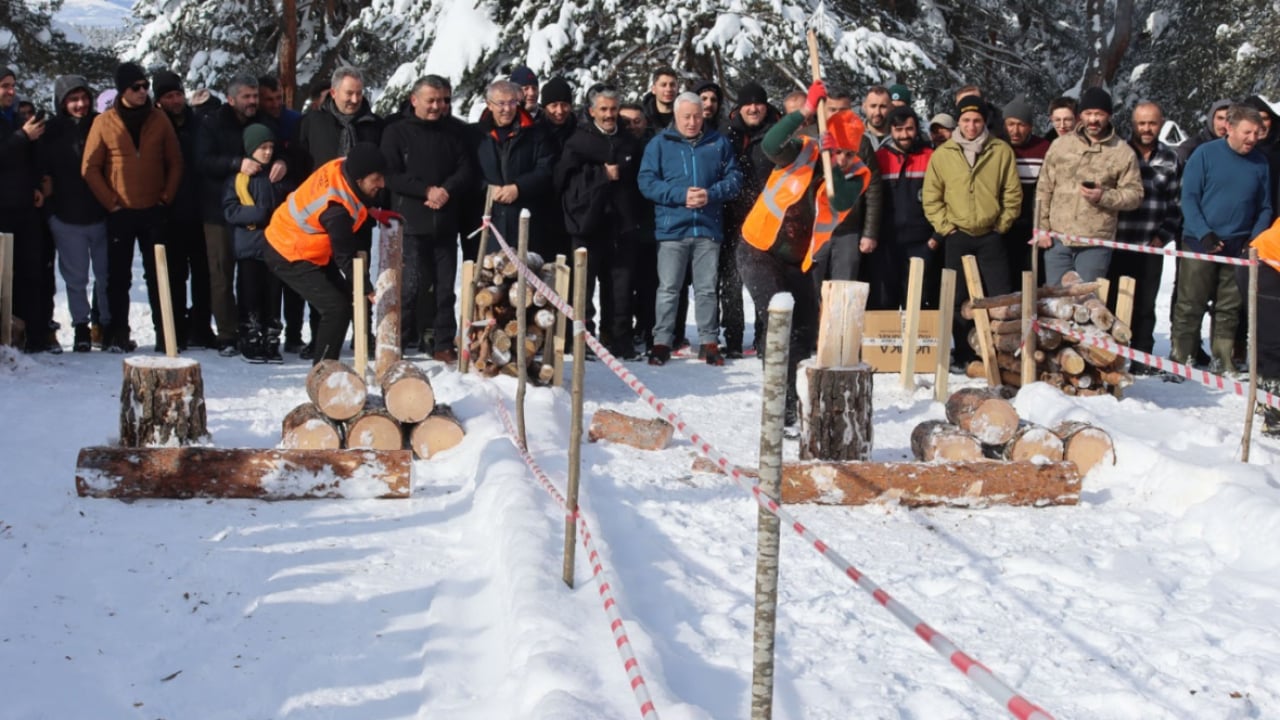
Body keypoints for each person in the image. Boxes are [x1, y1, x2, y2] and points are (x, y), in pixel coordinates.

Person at [738, 80, 869, 423]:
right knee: (778, 318)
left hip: (799, 261)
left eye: (848, 152)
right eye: (837, 150)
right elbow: (769, 144)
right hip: (759, 248)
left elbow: (840, 200)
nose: (842, 158)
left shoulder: (856, 175)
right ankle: (777, 401)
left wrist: (836, 166)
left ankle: (789, 401)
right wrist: (805, 113)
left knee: (805, 329)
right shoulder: (802, 149)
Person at [81, 62, 185, 353]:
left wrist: (167, 196)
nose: (143, 92)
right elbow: (90, 168)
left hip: (154, 209)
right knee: (118, 277)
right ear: (122, 90)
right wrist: (110, 203)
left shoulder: (159, 119)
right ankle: (117, 334)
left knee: (159, 274)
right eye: (135, 88)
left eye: (145, 87)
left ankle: (166, 334)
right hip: (120, 211)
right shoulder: (104, 122)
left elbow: (175, 161)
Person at [264, 143, 397, 362]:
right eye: (376, 179)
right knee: (336, 308)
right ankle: (324, 372)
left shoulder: (342, 168)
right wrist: (365, 287)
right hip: (287, 250)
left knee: (342, 301)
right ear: (360, 179)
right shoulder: (336, 210)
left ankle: (326, 365)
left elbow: (353, 196)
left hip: (307, 245)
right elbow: (345, 253)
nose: (381, 184)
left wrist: (371, 210)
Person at [638, 91, 742, 366]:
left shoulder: (717, 143)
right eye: (686, 116)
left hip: (707, 228)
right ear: (676, 116)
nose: (692, 121)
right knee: (669, 288)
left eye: (697, 116)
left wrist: (712, 193)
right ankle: (662, 341)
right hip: (672, 229)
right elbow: (646, 182)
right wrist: (680, 195)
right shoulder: (660, 144)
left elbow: (734, 179)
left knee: (707, 288)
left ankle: (709, 341)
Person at [1171, 104, 1272, 377]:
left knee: (1229, 307)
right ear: (1230, 128)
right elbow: (1189, 199)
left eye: (1256, 132)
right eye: (1247, 132)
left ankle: (1222, 358)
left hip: (1238, 246)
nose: (1252, 138)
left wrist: (1253, 240)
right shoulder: (1204, 154)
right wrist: (1204, 233)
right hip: (1200, 241)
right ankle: (1181, 357)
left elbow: (1265, 207)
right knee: (1191, 303)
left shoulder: (1260, 162)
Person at [380, 75, 476, 362]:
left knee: (445, 287)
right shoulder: (396, 132)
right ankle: (397, 340)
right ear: (415, 100)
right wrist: (425, 190)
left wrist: (446, 190)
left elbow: (466, 168)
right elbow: (390, 174)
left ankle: (443, 341)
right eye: (431, 101)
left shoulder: (455, 131)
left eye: (442, 101)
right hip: (410, 219)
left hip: (445, 220)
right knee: (410, 284)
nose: (437, 106)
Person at [922, 94, 1021, 366]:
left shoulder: (1000, 151)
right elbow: (932, 196)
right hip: (957, 236)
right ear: (958, 122)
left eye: (977, 120)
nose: (971, 125)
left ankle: (998, 351)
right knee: (958, 298)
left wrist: (1002, 224)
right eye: (966, 120)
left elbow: (1012, 193)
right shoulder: (943, 154)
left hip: (990, 235)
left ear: (984, 121)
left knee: (999, 295)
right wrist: (945, 226)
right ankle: (965, 354)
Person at [197, 74, 287, 356]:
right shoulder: (212, 123)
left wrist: (282, 161)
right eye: (247, 97)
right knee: (222, 273)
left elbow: (282, 149)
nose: (253, 102)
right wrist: (237, 163)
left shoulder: (264, 121)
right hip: (220, 208)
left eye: (255, 97)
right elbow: (203, 161)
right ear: (231, 98)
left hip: (259, 218)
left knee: (257, 277)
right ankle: (227, 332)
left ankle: (259, 330)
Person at [555, 85, 647, 358]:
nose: (609, 115)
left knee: (620, 287)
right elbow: (563, 183)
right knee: (583, 288)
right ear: (592, 110)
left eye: (613, 109)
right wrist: (601, 175)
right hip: (587, 225)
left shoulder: (628, 142)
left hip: (620, 226)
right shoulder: (578, 142)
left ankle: (618, 338)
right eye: (603, 109)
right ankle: (583, 339)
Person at [1035, 87, 1143, 285]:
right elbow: (1044, 188)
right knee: (1056, 305)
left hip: (1094, 243)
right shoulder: (1060, 146)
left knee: (1087, 305)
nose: (1093, 119)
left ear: (1108, 115)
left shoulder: (1122, 152)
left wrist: (1104, 196)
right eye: (1088, 113)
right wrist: (1041, 229)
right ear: (1080, 116)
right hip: (1058, 240)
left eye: (1099, 114)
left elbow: (1135, 195)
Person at [1107, 101, 1182, 375]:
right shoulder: (1118, 152)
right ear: (1133, 124)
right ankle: (1111, 357)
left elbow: (1176, 204)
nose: (1147, 128)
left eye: (1152, 123)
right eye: (1142, 123)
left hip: (1151, 244)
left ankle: (1143, 359)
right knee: (1113, 301)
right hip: (1117, 242)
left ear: (1160, 123)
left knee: (1145, 306)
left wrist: (1163, 237)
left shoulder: (1170, 159)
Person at [39, 74, 105, 352]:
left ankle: (104, 324)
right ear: (62, 102)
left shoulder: (101, 124)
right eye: (73, 99)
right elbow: (40, 170)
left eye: (84, 98)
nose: (80, 104)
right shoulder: (51, 131)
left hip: (102, 212)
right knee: (76, 277)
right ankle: (81, 326)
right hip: (66, 215)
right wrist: (52, 212)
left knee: (106, 275)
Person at [153, 70, 214, 350]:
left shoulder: (199, 122)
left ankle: (201, 327)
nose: (175, 100)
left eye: (178, 94)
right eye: (168, 96)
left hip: (200, 210)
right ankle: (173, 329)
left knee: (204, 274)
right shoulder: (154, 125)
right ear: (159, 100)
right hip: (168, 212)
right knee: (174, 275)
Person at [223, 124, 291, 362]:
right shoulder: (240, 179)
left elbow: (291, 202)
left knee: (273, 295)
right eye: (262, 147)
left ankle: (271, 337)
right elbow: (230, 210)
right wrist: (257, 214)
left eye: (271, 147)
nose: (267, 152)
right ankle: (250, 337)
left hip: (274, 246)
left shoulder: (277, 176)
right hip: (249, 247)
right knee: (249, 294)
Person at [724, 81, 781, 357]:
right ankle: (733, 338)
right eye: (748, 103)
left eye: (759, 103)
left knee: (764, 279)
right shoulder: (727, 133)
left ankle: (763, 335)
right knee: (731, 281)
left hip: (767, 216)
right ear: (739, 107)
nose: (754, 108)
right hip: (732, 216)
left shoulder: (777, 131)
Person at [1, 66, 55, 353]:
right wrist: (23, 136)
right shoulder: (17, 128)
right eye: (3, 86)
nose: (10, 91)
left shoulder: (17, 118)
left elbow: (28, 159)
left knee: (30, 273)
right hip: (2, 211)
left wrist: (37, 183)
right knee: (3, 276)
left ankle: (29, 336)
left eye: (12, 85)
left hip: (25, 207)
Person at [473, 79, 554, 256]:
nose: (507, 109)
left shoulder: (535, 133)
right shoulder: (476, 135)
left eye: (512, 102)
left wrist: (519, 187)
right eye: (501, 103)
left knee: (526, 276)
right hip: (488, 218)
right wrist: (487, 189)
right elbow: (469, 172)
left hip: (526, 218)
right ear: (489, 104)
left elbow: (545, 169)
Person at [876, 106, 940, 308]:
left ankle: (916, 340)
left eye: (909, 129)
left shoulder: (931, 156)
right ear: (890, 131)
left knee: (917, 301)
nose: (904, 135)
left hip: (922, 242)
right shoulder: (880, 158)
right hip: (887, 242)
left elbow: (946, 197)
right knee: (886, 300)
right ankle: (889, 340)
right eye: (899, 129)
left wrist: (936, 238)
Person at [1001, 96, 1050, 289]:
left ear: (1030, 126)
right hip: (1006, 222)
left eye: (1021, 125)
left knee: (1032, 275)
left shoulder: (1043, 148)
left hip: (1033, 221)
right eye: (1010, 124)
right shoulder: (998, 147)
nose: (1015, 130)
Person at [1245, 219, 1280, 435]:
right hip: (1263, 265)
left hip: (1268, 262)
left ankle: (1263, 395)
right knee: (1274, 339)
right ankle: (1273, 416)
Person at [1176, 98, 1232, 164]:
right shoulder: (1191, 148)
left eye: (1229, 120)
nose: (1224, 125)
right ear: (1211, 119)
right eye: (1220, 118)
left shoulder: (1238, 148)